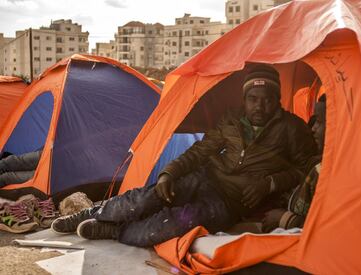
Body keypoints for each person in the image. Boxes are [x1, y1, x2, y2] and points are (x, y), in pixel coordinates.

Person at [51, 64, 317, 247]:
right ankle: (93, 211)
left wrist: (269, 183)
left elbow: (307, 170)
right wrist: (170, 172)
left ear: (278, 99)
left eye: (268, 99)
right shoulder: (232, 120)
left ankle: (114, 230)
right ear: (245, 99)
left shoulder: (293, 129)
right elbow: (200, 152)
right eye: (253, 98)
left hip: (231, 203)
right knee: (146, 197)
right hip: (205, 178)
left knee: (169, 226)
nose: (260, 105)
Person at [262, 95, 326, 232]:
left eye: (319, 122)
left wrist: (285, 219)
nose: (313, 129)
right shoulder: (317, 161)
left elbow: (328, 227)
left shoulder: (327, 171)